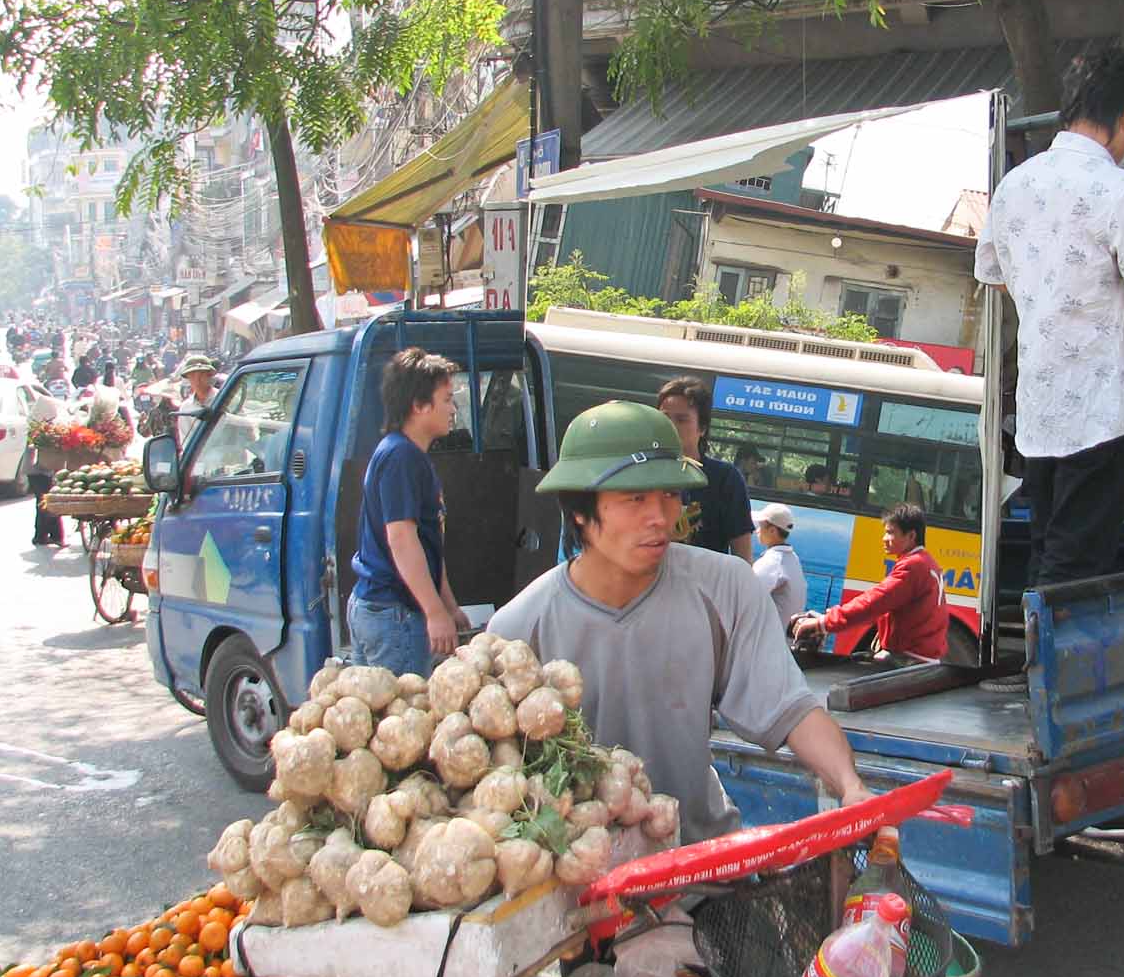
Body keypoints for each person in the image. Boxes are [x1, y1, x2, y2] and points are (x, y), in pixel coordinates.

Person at [487, 401, 873, 844]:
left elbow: (792, 709)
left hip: (700, 863)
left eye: (670, 494)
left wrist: (850, 785)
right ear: (579, 510)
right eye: (635, 498)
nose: (660, 517)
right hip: (579, 884)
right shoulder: (518, 630)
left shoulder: (727, 587)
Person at [974, 48, 1124, 585]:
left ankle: (1038, 666)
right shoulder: (1120, 190)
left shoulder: (1014, 185)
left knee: (1048, 547)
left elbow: (993, 272)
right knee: (1077, 565)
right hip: (1096, 408)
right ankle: (1053, 670)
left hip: (1039, 409)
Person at [348, 348, 470, 677]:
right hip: (394, 614)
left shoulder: (409, 456)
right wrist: (434, 612)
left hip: (386, 610)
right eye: (446, 399)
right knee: (402, 723)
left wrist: (449, 604)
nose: (452, 408)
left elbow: (430, 541)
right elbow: (402, 539)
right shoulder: (401, 458)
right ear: (418, 405)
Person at [792, 503, 948, 664]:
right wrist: (832, 617)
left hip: (909, 660)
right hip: (920, 658)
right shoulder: (927, 562)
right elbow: (883, 607)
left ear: (911, 536)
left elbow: (874, 602)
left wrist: (823, 623)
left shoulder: (913, 566)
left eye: (890, 533)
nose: (884, 539)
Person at [656, 376, 754, 563]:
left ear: (702, 428)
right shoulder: (641, 472)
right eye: (665, 418)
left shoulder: (725, 479)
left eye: (682, 420)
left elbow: (743, 559)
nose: (671, 426)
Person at [751, 502, 808, 630]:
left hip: (767, 641)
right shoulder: (793, 559)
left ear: (772, 531)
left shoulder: (771, 562)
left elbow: (747, 597)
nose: (757, 531)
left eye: (760, 526)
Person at [27, 392, 65, 547]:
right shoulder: (37, 430)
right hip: (39, 471)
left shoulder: (37, 426)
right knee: (46, 502)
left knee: (44, 502)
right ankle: (48, 536)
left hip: (37, 471)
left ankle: (46, 535)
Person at [175, 353, 218, 444]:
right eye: (193, 376)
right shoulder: (186, 408)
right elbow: (186, 442)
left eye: (201, 374)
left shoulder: (225, 398)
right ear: (188, 378)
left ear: (209, 375)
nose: (197, 380)